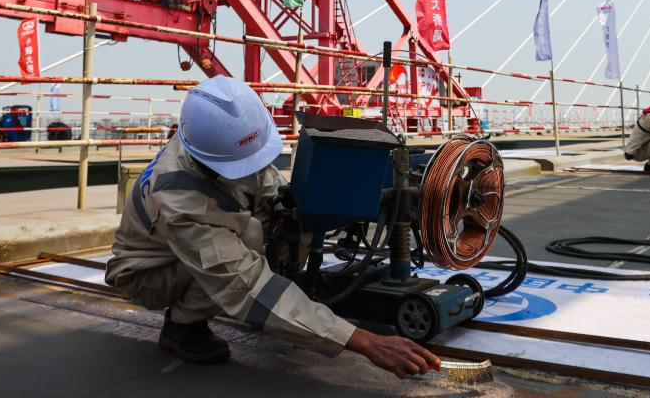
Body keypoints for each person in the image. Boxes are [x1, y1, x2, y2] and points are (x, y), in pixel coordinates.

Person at [106, 76, 439, 378]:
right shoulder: (180, 201)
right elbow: (246, 287)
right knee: (247, 239)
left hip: (184, 244)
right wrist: (366, 342)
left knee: (291, 214)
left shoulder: (215, 138)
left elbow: (269, 189)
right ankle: (181, 325)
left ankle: (294, 307)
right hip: (148, 274)